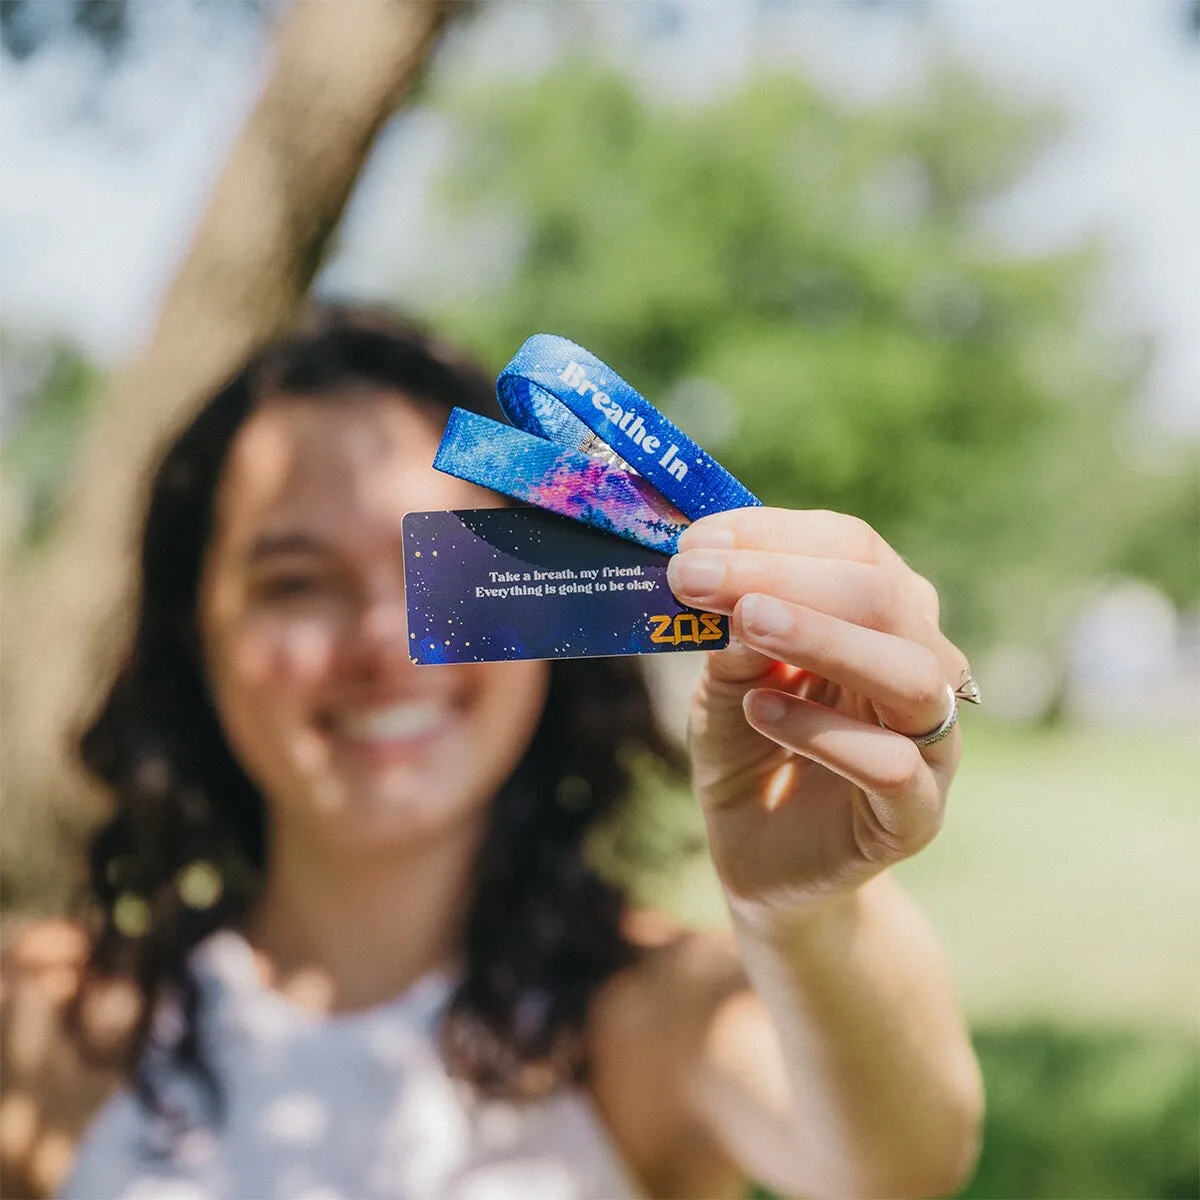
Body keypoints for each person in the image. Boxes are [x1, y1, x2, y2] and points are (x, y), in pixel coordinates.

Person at [43, 305, 980, 1198]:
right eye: (296, 584)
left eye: (450, 568)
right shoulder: (52, 1022)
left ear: (554, 609)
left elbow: (905, 1160)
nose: (385, 641)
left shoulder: (651, 1017)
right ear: (193, 635)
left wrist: (797, 918)